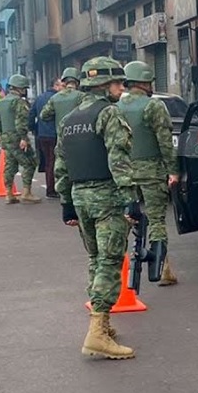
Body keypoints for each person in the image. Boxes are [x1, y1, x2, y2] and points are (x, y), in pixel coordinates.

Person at [54, 56, 138, 360]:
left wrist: (66, 203)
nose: (121, 87)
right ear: (104, 84)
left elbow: (61, 165)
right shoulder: (109, 114)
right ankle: (98, 331)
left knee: (95, 259)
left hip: (79, 196)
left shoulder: (70, 119)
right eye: (117, 82)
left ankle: (102, 325)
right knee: (110, 261)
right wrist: (132, 198)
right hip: (106, 197)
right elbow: (119, 159)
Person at [117, 61, 179, 286]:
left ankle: (120, 271)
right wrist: (173, 170)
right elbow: (165, 142)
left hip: (125, 173)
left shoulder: (116, 107)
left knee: (126, 219)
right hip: (152, 172)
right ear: (143, 82)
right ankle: (163, 269)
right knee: (156, 220)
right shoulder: (153, 107)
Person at [0, 74, 42, 205]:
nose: (25, 90)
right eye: (24, 88)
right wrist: (24, 138)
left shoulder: (2, 101)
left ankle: (9, 193)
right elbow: (21, 121)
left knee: (10, 165)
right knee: (30, 163)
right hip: (17, 137)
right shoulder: (19, 102)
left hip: (5, 138)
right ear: (20, 88)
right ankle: (26, 192)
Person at [29, 77, 60, 198]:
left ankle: (50, 187)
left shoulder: (40, 97)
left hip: (42, 135)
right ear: (55, 86)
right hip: (54, 134)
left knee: (48, 162)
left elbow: (31, 115)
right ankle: (52, 189)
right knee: (55, 162)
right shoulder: (58, 98)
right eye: (61, 85)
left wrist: (33, 129)